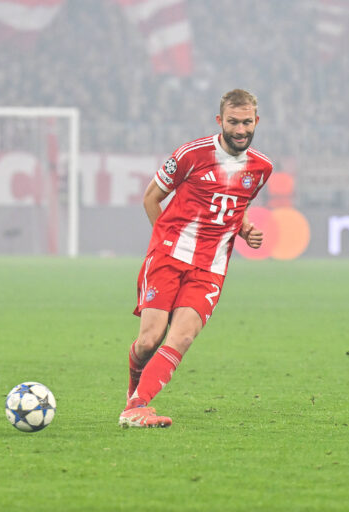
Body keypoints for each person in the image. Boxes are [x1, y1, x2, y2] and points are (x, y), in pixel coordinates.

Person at [119, 89, 273, 428]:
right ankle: (134, 398)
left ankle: (137, 407)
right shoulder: (191, 154)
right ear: (220, 121)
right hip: (169, 257)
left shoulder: (262, 168)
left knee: (183, 336)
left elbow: (235, 204)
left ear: (256, 122)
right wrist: (164, 243)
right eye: (233, 122)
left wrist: (244, 228)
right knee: (149, 340)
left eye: (247, 122)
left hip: (211, 267)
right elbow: (150, 198)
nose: (241, 130)